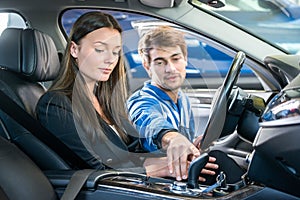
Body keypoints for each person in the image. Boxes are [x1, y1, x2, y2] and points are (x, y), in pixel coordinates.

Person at [36, 11, 217, 180]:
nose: (110, 59)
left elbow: (134, 151)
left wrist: (180, 155)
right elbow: (97, 170)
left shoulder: (105, 101)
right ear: (74, 50)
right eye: (100, 49)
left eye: (115, 52)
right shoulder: (55, 104)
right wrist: (166, 166)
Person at [127, 25, 219, 181]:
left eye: (175, 59)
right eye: (160, 62)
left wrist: (192, 144)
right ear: (147, 66)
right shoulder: (142, 101)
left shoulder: (182, 99)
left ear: (185, 59)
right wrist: (173, 138)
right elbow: (149, 122)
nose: (170, 68)